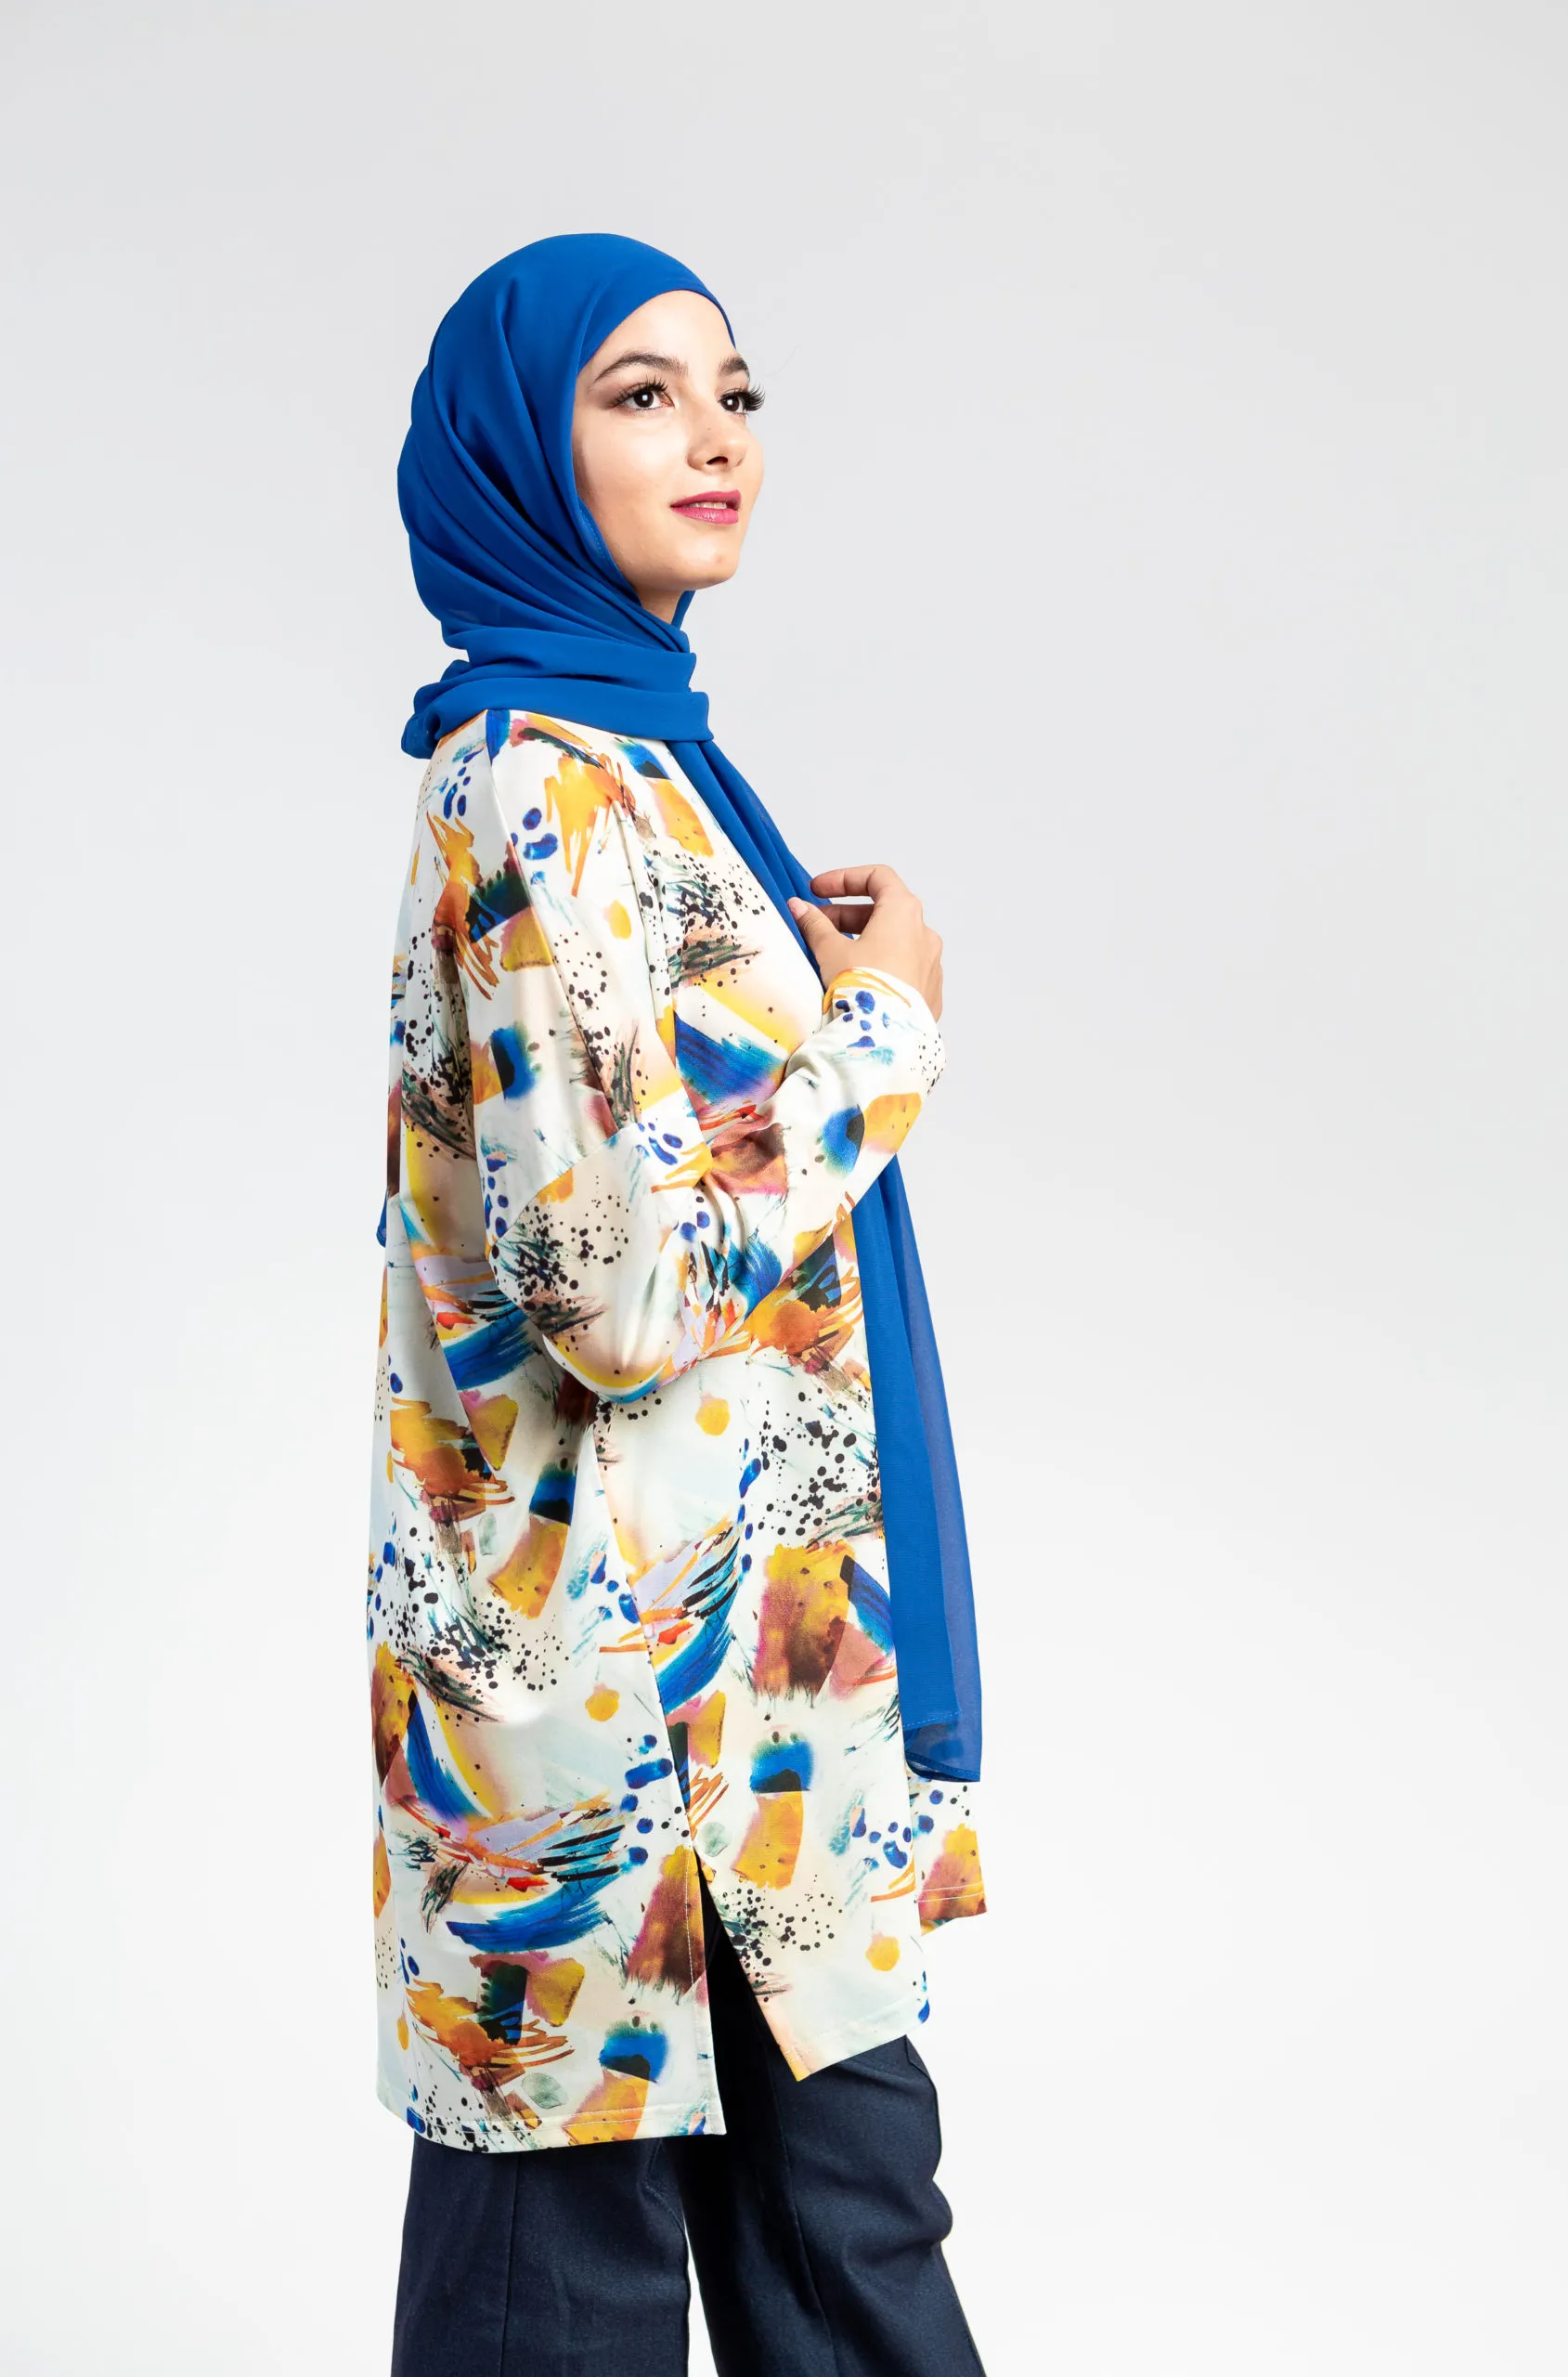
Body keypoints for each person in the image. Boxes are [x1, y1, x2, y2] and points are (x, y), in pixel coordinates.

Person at [369, 232, 988, 2377]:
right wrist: (883, 1031)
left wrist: (811, 993)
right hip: (598, 1712)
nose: (713, 434)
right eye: (639, 393)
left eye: (733, 389)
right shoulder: (528, 779)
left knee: (853, 2240)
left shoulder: (649, 766)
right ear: (516, 449)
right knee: (564, 2302)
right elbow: (617, 1288)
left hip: (755, 1685)